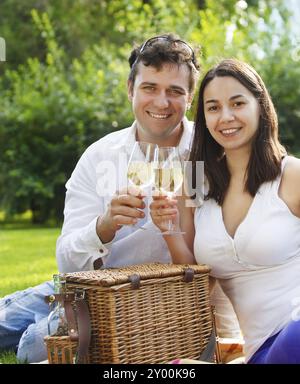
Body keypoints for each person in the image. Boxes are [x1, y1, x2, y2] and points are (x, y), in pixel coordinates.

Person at [0, 35, 240, 363]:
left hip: (145, 305)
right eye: (150, 88)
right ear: (130, 89)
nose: (161, 102)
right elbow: (68, 261)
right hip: (89, 288)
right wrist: (104, 226)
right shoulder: (100, 157)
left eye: (175, 91)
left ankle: (44, 318)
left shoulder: (209, 155)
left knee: (30, 347)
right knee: (6, 322)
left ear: (190, 97)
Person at [150, 58, 300, 364]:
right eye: (213, 107)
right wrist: (169, 230)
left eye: (237, 103)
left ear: (260, 107)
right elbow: (196, 282)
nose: (226, 117)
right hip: (262, 350)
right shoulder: (194, 183)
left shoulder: (291, 175)